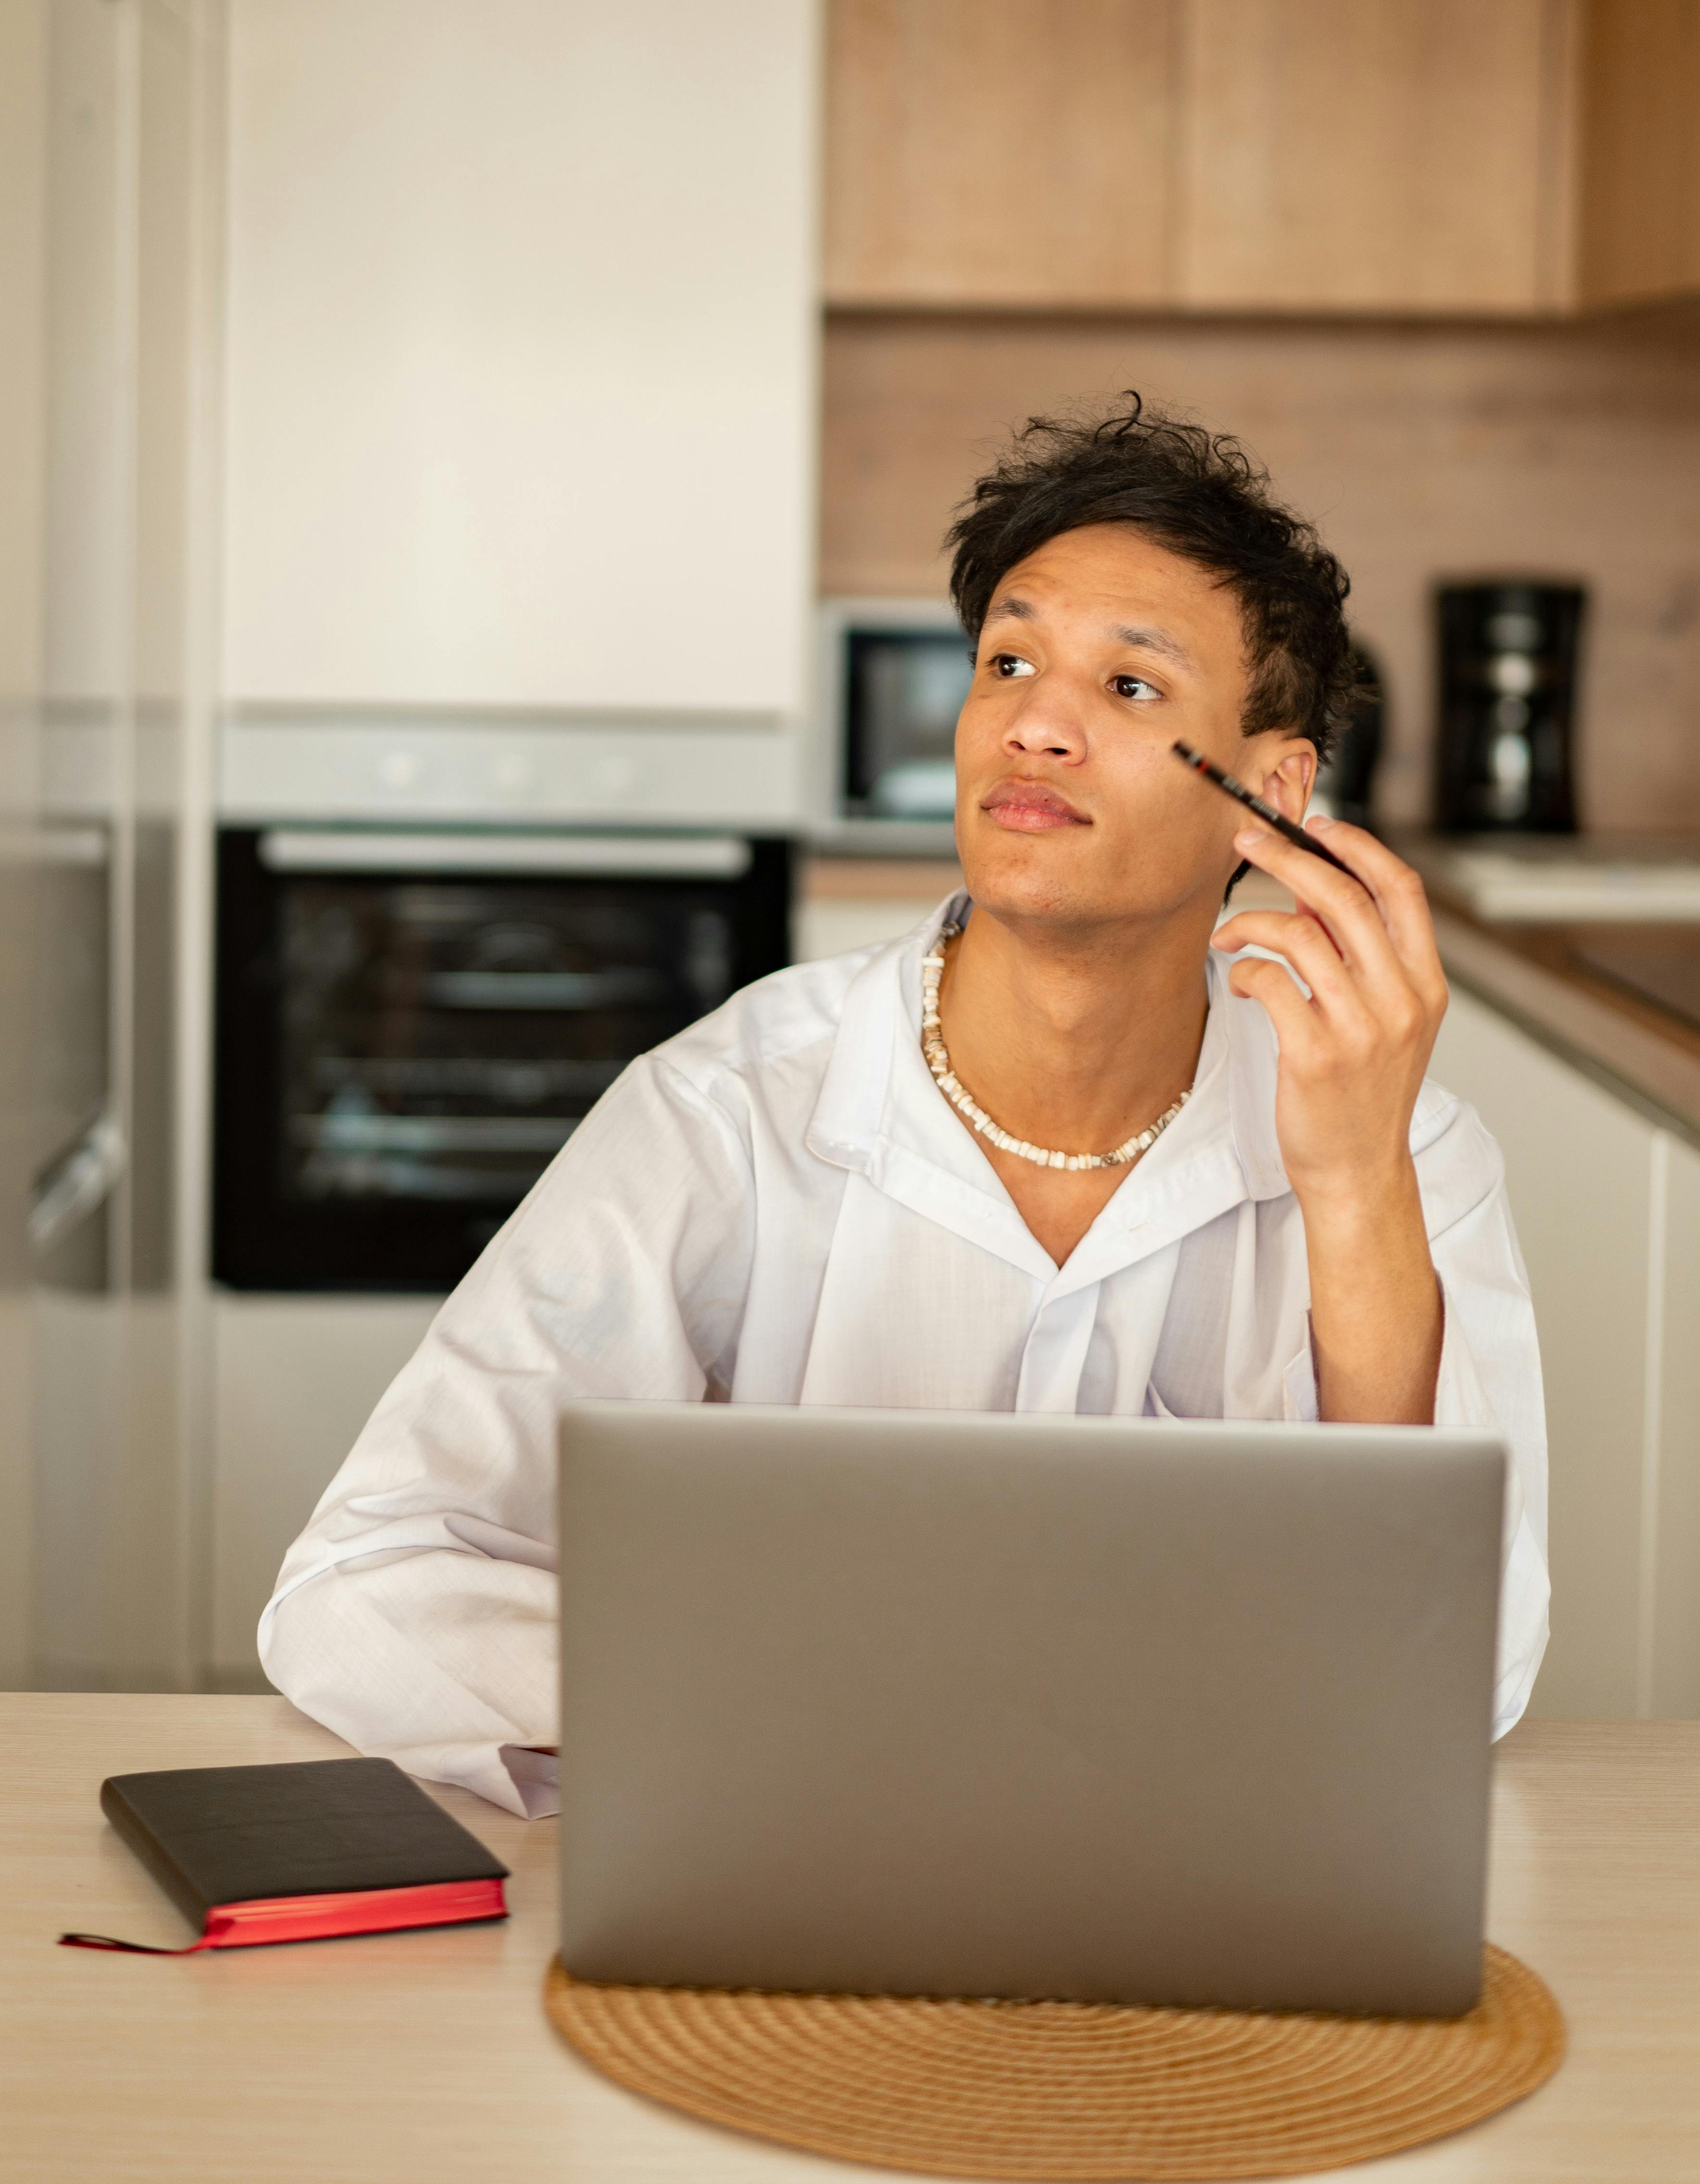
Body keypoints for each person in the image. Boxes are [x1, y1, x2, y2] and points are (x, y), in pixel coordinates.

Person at [260, 401, 1548, 1815]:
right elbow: (359, 1585)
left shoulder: (1410, 1151)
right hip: (790, 1863)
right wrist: (809, 1700)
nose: (1036, 725)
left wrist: (1356, 1191)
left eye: (1130, 690)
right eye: (1009, 661)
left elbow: (1459, 1676)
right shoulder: (726, 1111)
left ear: (1274, 792)